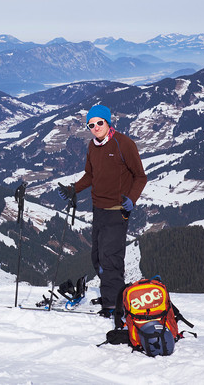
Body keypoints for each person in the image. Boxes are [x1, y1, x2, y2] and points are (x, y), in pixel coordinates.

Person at [58, 104, 147, 317]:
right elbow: (90, 175)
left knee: (111, 258)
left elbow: (140, 176)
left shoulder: (124, 144)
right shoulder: (92, 146)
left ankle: (113, 305)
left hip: (118, 211)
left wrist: (131, 200)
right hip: (98, 210)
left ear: (108, 123)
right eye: (91, 124)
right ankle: (114, 294)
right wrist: (73, 190)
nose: (96, 127)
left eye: (100, 123)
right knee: (97, 257)